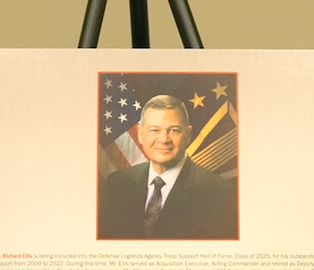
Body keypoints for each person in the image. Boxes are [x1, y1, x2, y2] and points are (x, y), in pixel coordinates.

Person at [97, 94, 237, 239]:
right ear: (140, 134)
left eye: (174, 130)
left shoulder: (219, 193)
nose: (164, 139)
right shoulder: (117, 183)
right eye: (154, 130)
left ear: (188, 135)